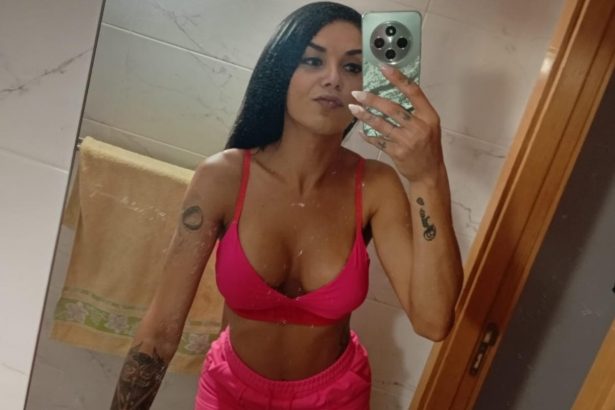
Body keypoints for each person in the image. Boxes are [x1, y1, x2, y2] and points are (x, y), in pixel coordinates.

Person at [110, 2, 463, 409]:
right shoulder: (222, 178)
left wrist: (427, 176)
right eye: (312, 60)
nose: (333, 78)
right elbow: (160, 332)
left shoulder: (376, 186)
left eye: (352, 67)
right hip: (229, 393)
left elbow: (433, 321)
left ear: (367, 86)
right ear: (281, 71)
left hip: (335, 397)